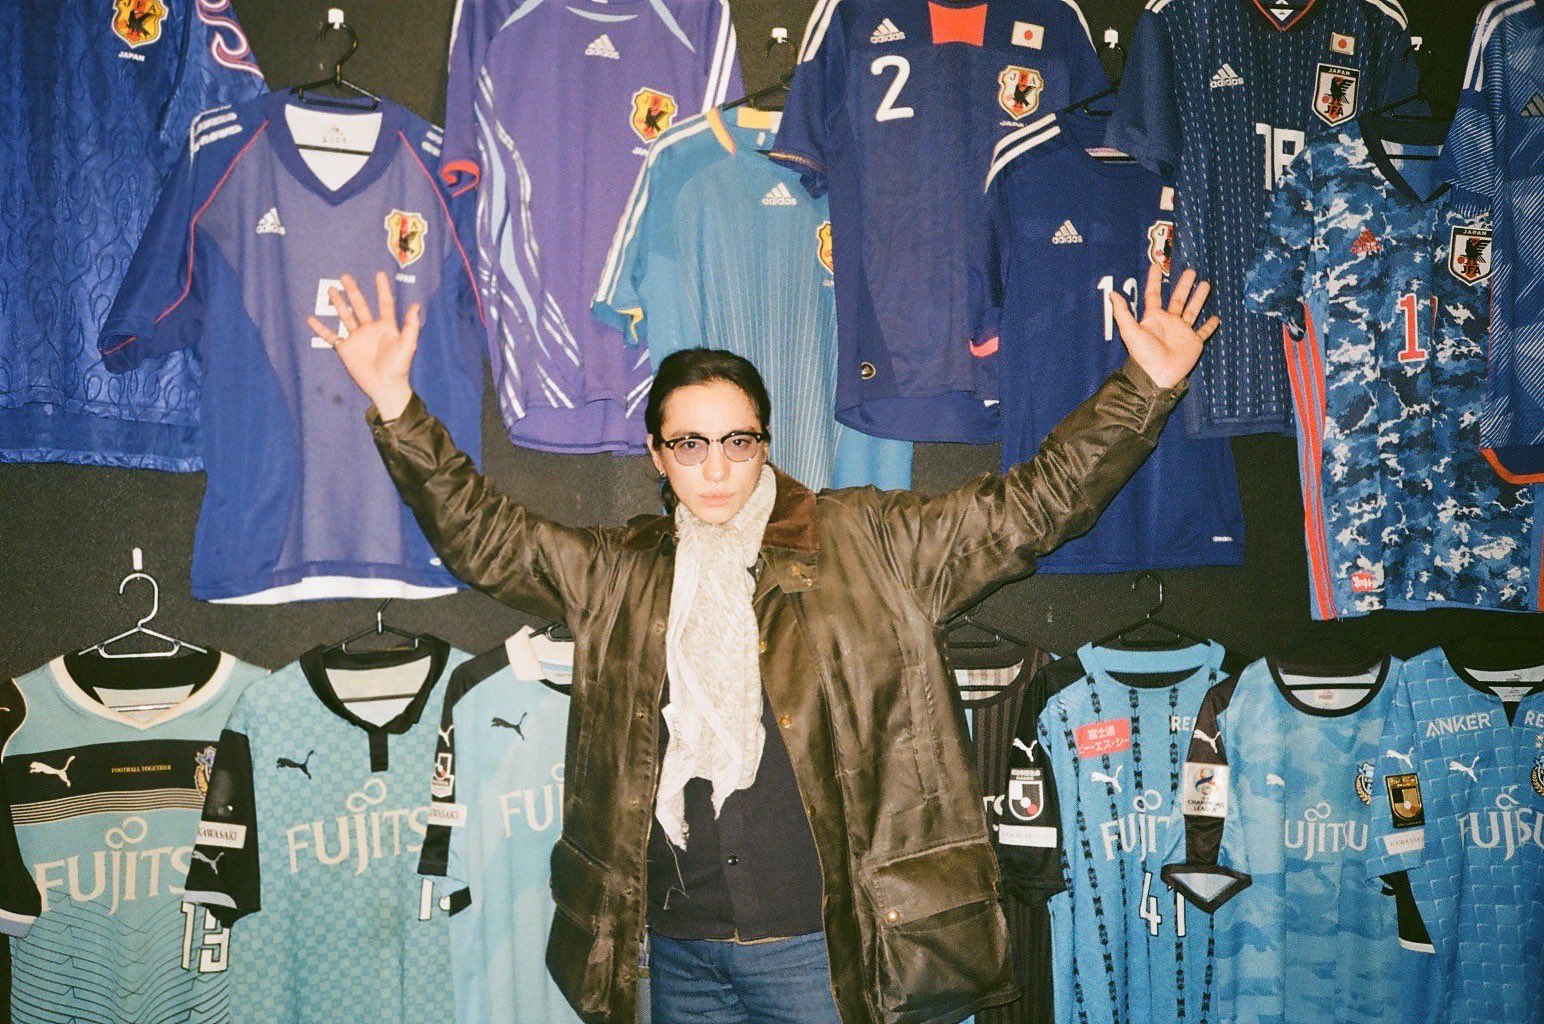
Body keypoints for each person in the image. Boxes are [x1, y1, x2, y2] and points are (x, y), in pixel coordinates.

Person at [309, 260, 1217, 1024]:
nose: (715, 468)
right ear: (656, 454)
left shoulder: (871, 543)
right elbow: (483, 537)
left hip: (826, 948)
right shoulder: (618, 573)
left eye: (738, 442)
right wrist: (395, 404)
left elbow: (1033, 505)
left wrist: (1144, 390)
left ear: (768, 444)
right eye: (689, 444)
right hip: (674, 949)